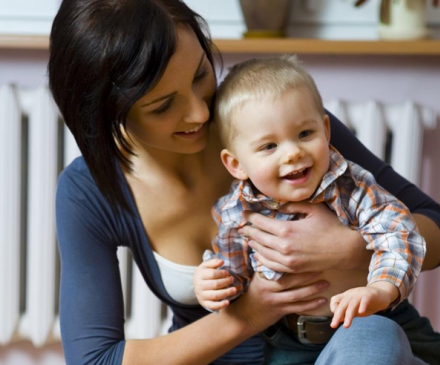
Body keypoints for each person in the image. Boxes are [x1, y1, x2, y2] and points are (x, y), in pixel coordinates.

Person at [49, 1, 440, 364]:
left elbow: (431, 221)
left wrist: (349, 249)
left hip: (354, 345)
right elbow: (94, 359)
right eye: (163, 106)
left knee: (371, 336)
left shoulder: (277, 124)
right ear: (107, 112)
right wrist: (252, 313)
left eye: (201, 74)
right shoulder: (89, 191)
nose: (201, 112)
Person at [193, 55, 426, 362]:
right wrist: (214, 285)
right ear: (236, 165)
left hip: (380, 323)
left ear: (326, 130)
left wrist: (381, 290)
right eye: (269, 146)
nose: (292, 152)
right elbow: (234, 271)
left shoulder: (350, 187)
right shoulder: (236, 212)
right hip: (289, 345)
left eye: (304, 134)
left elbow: (399, 233)